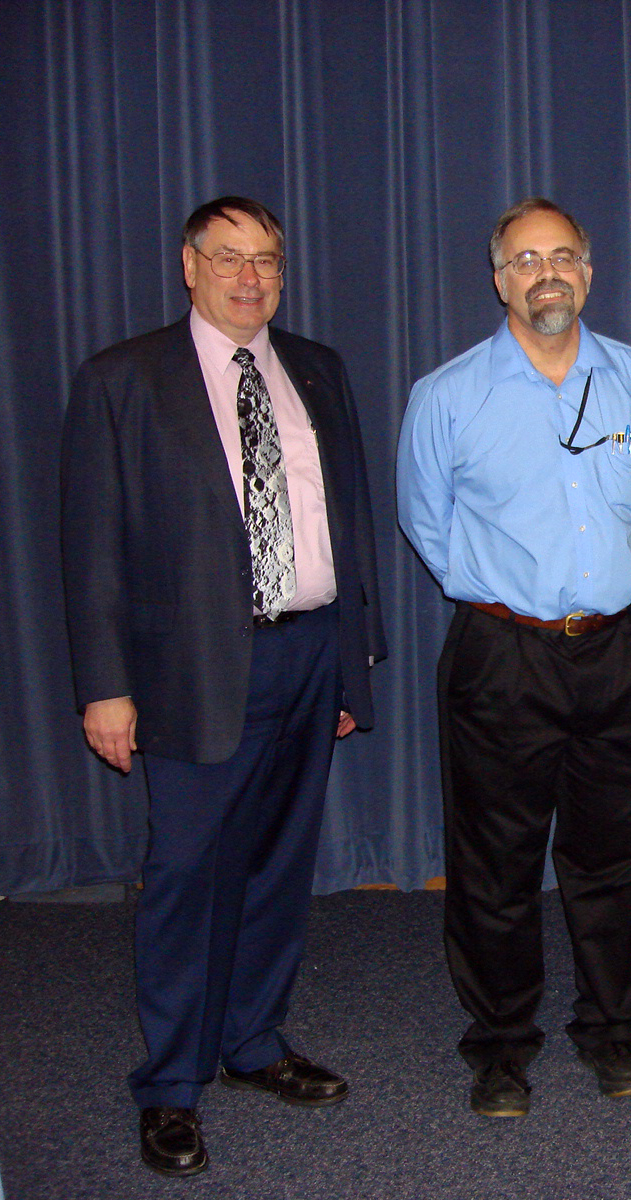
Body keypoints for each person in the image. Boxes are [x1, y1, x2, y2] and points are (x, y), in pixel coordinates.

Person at [60, 196, 386, 1177]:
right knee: (186, 879)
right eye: (230, 259)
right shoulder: (125, 378)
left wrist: (350, 660)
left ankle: (252, 1042)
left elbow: (350, 519)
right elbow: (91, 548)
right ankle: (169, 1083)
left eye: (268, 262)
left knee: (279, 871)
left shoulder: (318, 370)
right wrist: (104, 686)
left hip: (307, 652)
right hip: (193, 670)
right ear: (189, 266)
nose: (251, 278)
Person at [397, 198, 631, 1119]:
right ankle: (502, 1044)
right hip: (502, 655)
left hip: (619, 651)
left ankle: (609, 1027)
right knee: (495, 863)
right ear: (500, 278)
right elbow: (426, 527)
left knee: (612, 856)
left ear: (589, 272)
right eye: (524, 260)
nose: (546, 273)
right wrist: (504, 598)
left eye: (563, 257)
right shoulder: (447, 396)